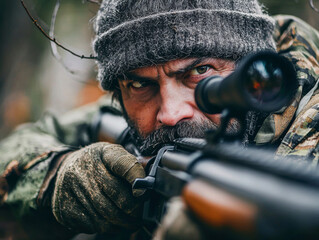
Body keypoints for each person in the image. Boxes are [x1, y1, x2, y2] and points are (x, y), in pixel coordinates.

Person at [1, 0, 319, 239]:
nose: (170, 113)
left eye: (200, 72)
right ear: (118, 95)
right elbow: (13, 148)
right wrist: (58, 176)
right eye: (140, 84)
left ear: (253, 74)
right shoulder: (117, 119)